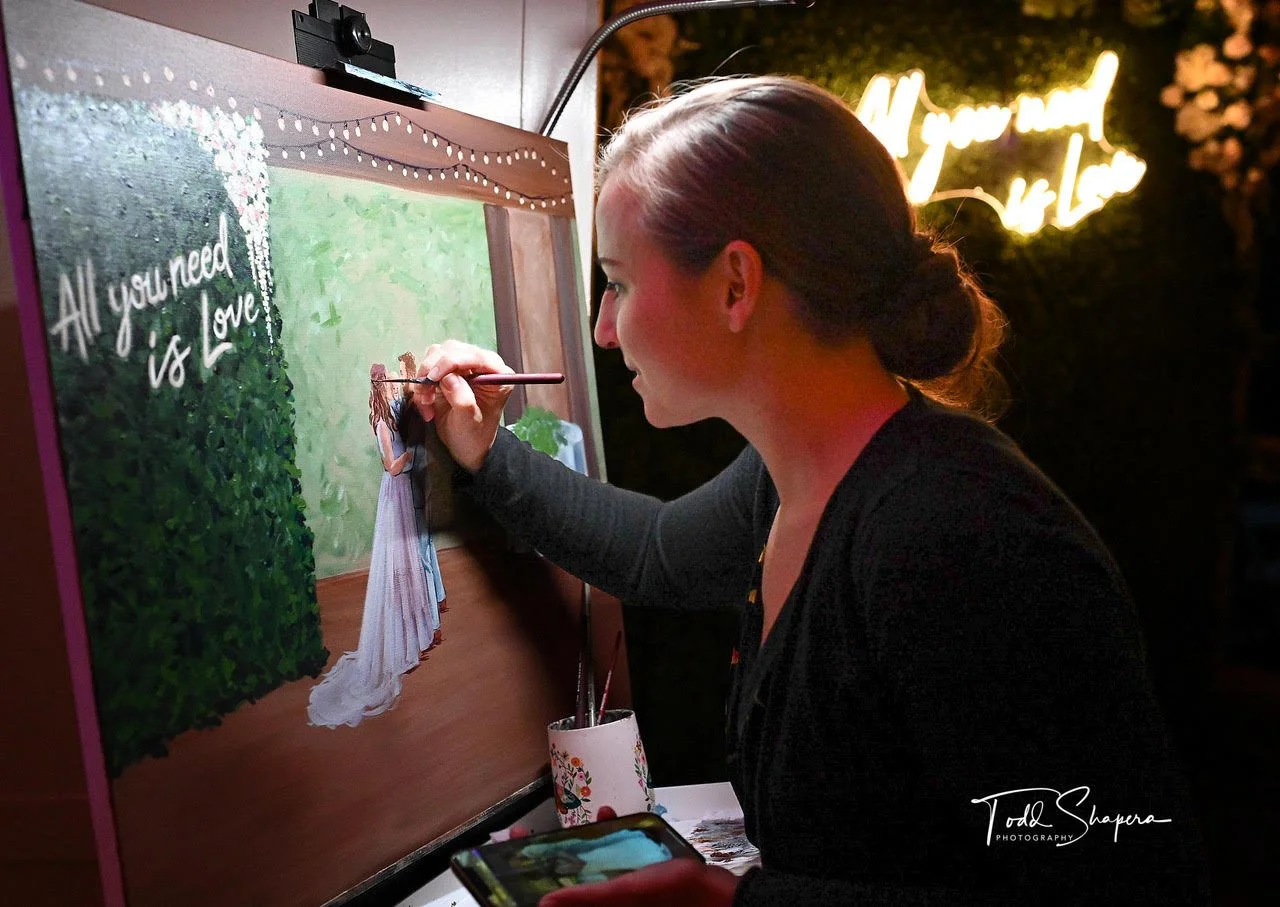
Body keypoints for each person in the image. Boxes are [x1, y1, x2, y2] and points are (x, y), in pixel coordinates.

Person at [412, 76, 1209, 904]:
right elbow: (651, 552)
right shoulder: (793, 476)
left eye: (618, 281)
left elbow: (1127, 888)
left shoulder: (964, 541)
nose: (605, 328)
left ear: (735, 285)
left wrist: (734, 904)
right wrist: (485, 450)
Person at [307, 363, 436, 728]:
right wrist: (410, 454)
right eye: (388, 385)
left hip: (402, 493)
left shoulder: (394, 418)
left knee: (410, 559)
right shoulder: (381, 425)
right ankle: (399, 633)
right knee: (396, 560)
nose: (393, 390)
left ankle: (415, 626)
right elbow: (391, 466)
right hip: (393, 493)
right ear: (378, 388)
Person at [397, 351, 447, 638]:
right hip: (427, 480)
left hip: (422, 483)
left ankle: (433, 624)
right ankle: (439, 599)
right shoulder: (417, 404)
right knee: (427, 550)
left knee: (423, 554)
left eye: (403, 368)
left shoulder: (414, 403)